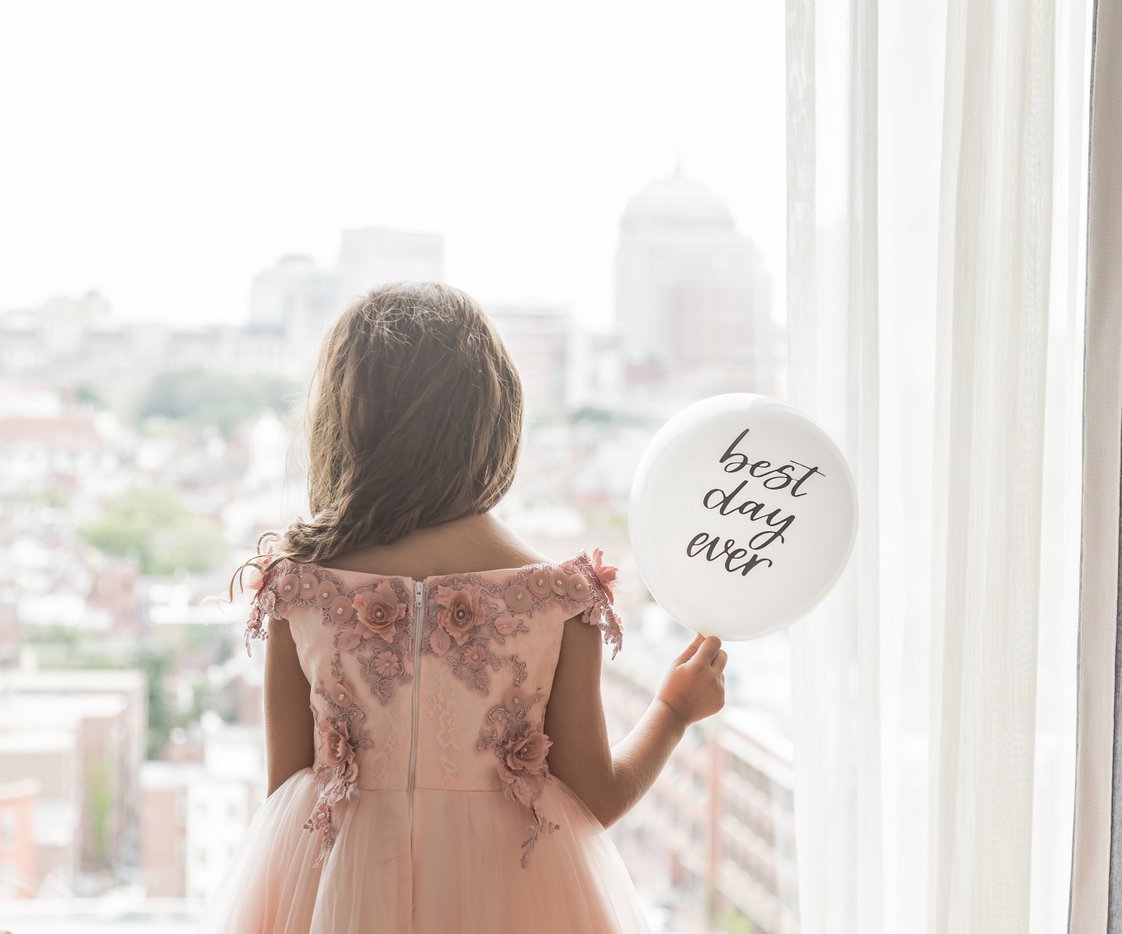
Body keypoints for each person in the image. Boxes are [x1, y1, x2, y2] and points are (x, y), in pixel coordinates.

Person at [199, 282, 727, 933]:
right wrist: (674, 710)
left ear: (344, 419)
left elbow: (291, 793)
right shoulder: (558, 596)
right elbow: (598, 796)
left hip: (340, 900)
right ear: (493, 420)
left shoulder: (299, 590)